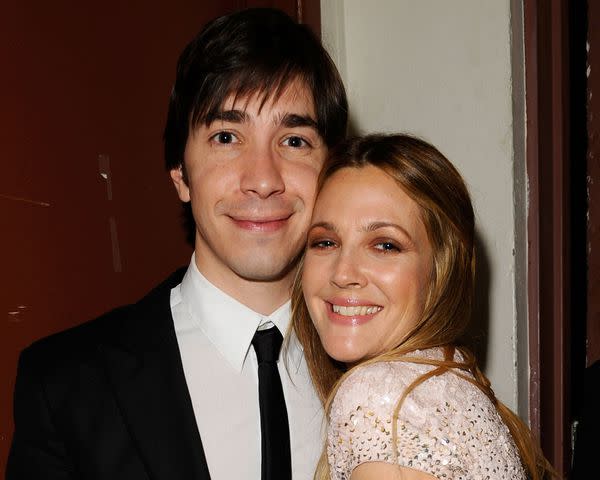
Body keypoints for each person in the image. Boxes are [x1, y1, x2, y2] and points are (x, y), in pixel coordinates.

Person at [7, 8, 347, 480]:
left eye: (294, 141)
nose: (264, 180)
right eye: (227, 137)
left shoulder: (390, 371)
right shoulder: (66, 385)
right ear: (181, 176)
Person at [291, 134, 554, 480]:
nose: (343, 273)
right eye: (325, 242)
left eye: (385, 246)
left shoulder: (381, 399)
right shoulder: (449, 379)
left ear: (440, 271)